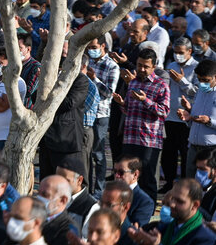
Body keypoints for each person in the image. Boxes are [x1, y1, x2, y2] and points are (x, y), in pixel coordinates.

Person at [112, 48, 170, 202]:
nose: (141, 69)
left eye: (145, 66)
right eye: (139, 65)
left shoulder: (161, 85)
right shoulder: (133, 83)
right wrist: (122, 104)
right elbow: (129, 109)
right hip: (130, 138)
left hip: (149, 140)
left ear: (154, 67)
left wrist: (145, 100)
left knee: (147, 178)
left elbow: (164, 112)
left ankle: (147, 210)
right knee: (128, 175)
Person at [39, 59, 89, 179]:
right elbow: (38, 98)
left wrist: (50, 88)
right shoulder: (48, 79)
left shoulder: (80, 80)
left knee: (66, 181)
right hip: (47, 140)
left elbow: (70, 103)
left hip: (66, 141)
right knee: (47, 181)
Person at [161, 36, 198, 192]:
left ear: (189, 51)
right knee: (168, 153)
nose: (178, 55)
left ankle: (183, 185)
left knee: (184, 154)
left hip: (186, 118)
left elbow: (198, 92)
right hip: (169, 116)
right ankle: (169, 182)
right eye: (175, 52)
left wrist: (183, 81)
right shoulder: (172, 65)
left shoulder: (197, 67)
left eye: (181, 52)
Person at [86, 35, 120, 198]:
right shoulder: (87, 62)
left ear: (103, 46)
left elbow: (108, 93)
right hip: (85, 113)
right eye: (89, 48)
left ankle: (99, 189)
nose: (91, 51)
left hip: (100, 114)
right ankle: (87, 186)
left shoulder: (112, 66)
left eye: (94, 47)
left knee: (98, 154)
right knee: (86, 152)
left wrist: (94, 79)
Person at [177, 59, 216, 178]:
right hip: (193, 147)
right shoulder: (200, 91)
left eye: (206, 80)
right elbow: (196, 116)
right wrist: (189, 111)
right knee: (190, 184)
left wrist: (209, 121)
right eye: (200, 80)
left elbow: (207, 119)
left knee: (208, 184)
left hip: (211, 150)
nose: (202, 83)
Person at [37, 175, 78, 245]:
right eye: (38, 193)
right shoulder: (33, 216)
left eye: (45, 195)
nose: (39, 198)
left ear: (63, 200)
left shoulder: (69, 229)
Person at [56, 157, 99, 239]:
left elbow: (87, 242)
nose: (60, 183)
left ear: (79, 180)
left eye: (66, 180)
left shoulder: (91, 207)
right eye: (58, 178)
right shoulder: (52, 198)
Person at [113, 155, 154, 227]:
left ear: (135, 174)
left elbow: (135, 230)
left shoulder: (144, 201)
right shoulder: (108, 193)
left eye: (121, 172)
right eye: (115, 171)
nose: (117, 175)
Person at [18, 32, 41, 109]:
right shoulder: (11, 64)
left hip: (25, 110)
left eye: (20, 48)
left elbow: (28, 92)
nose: (16, 51)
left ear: (28, 49)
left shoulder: (35, 67)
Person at [197, 149, 216, 219]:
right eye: (197, 168)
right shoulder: (204, 188)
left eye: (203, 169)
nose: (198, 173)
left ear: (215, 171)